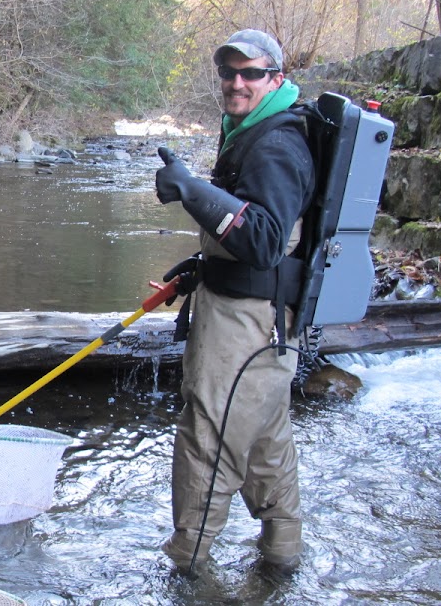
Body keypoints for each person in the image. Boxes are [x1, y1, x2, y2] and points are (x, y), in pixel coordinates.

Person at [153, 29, 316, 573]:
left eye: (250, 73)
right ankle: (282, 558)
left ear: (277, 78)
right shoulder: (250, 129)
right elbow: (247, 231)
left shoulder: (277, 143)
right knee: (266, 439)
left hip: (248, 326)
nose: (236, 83)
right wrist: (199, 268)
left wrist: (192, 191)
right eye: (228, 73)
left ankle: (186, 570)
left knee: (209, 437)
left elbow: (266, 240)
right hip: (261, 323)